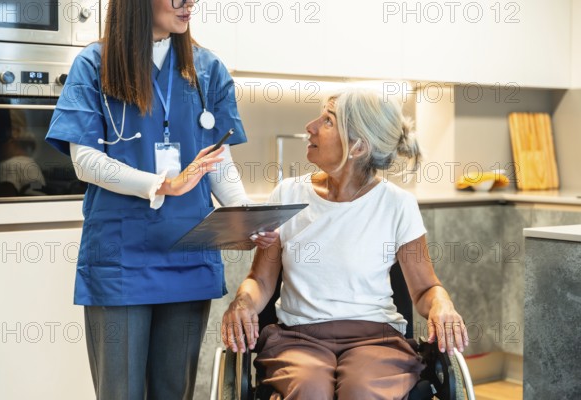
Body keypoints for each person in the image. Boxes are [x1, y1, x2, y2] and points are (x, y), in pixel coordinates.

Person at [45, 0, 275, 399]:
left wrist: (244, 217)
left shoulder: (208, 69)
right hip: (121, 260)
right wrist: (163, 184)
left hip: (188, 255)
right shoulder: (94, 64)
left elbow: (217, 161)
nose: (189, 4)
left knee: (174, 391)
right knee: (121, 391)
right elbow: (85, 162)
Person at [222, 88, 469, 399]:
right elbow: (259, 279)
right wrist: (243, 302)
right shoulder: (287, 195)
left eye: (327, 121)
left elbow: (424, 289)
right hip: (298, 339)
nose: (309, 126)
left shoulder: (397, 204)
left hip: (375, 340)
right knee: (309, 390)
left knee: (362, 392)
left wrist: (442, 305)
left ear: (358, 146)